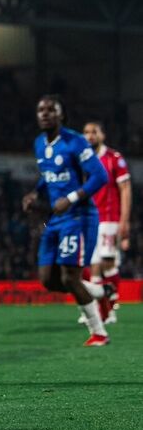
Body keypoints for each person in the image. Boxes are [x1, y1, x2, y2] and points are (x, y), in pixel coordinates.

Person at [22, 96, 112, 346]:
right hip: (56, 219)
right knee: (47, 280)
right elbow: (48, 175)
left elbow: (100, 176)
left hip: (78, 217)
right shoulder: (39, 144)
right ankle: (101, 291)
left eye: (51, 110)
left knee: (70, 277)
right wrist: (36, 193)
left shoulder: (75, 141)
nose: (45, 114)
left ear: (61, 115)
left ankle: (99, 333)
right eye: (41, 110)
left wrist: (71, 198)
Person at [82, 121, 130, 325]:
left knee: (105, 263)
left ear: (102, 135)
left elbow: (125, 189)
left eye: (94, 132)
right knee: (92, 265)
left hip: (109, 218)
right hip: (89, 218)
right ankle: (100, 310)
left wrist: (124, 220)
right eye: (86, 132)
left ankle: (109, 307)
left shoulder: (114, 158)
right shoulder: (83, 159)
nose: (90, 136)